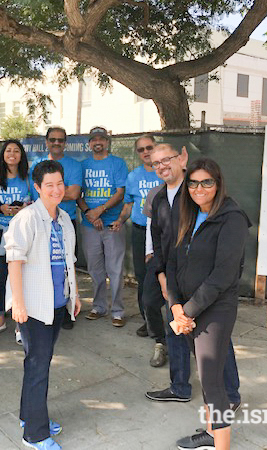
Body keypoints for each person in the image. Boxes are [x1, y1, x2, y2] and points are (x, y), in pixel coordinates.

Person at [144, 144, 241, 412]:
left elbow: (224, 268)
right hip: (175, 284)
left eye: (167, 160)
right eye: (156, 163)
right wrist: (163, 277)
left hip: (208, 293)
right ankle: (179, 387)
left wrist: (186, 309)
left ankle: (230, 396)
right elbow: (162, 243)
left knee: (216, 347)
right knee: (174, 330)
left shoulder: (219, 209)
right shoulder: (160, 199)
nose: (162, 166)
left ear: (182, 158)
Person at [167, 158, 250, 450]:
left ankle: (221, 445)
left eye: (206, 182)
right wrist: (177, 307)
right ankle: (210, 433)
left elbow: (224, 274)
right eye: (193, 182)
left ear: (218, 184)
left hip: (215, 310)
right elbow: (173, 263)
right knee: (206, 376)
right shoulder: (188, 214)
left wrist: (186, 313)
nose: (198, 188)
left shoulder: (233, 217)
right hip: (186, 311)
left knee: (213, 381)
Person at [5, 160, 81, 450]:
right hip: (34, 307)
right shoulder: (27, 218)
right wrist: (18, 304)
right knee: (39, 367)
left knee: (38, 363)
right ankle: (35, 435)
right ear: (37, 187)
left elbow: (68, 262)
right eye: (49, 185)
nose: (56, 189)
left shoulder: (63, 219)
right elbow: (14, 262)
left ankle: (30, 416)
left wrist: (74, 296)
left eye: (59, 183)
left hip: (57, 304)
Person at [110, 134, 163, 364]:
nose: (145, 152)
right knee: (143, 277)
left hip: (165, 233)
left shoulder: (165, 172)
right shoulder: (133, 176)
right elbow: (129, 204)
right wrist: (121, 220)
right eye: (140, 149)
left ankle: (169, 322)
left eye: (149, 147)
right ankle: (149, 321)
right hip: (141, 231)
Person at [29, 126, 82, 330]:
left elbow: (74, 193)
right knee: (44, 266)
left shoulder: (74, 166)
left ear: (65, 142)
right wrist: (61, 191)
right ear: (47, 141)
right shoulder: (36, 164)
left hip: (65, 222)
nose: (57, 143)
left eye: (61, 140)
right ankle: (43, 308)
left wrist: (51, 192)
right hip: (41, 223)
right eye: (53, 139)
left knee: (67, 267)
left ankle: (67, 311)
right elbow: (36, 194)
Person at [77, 126, 128, 327]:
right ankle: (99, 307)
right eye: (94, 139)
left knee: (115, 269)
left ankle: (118, 311)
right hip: (91, 225)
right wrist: (91, 214)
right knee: (95, 269)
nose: (98, 142)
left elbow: (120, 192)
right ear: (89, 143)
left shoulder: (117, 163)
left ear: (107, 142)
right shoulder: (83, 165)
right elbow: (77, 194)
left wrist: (101, 210)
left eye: (102, 139)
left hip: (112, 224)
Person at [0, 140, 30, 342]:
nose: (12, 154)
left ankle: (20, 324)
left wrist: (25, 208)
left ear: (22, 155)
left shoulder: (28, 179)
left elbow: (37, 206)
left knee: (20, 280)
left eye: (16, 151)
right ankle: (0, 320)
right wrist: (1, 209)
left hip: (22, 234)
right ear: (3, 155)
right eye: (8, 150)